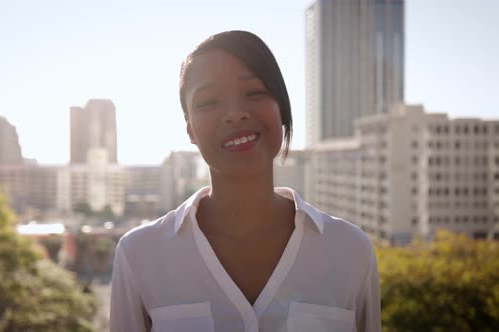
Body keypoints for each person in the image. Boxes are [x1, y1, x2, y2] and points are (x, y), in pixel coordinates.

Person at [110, 30, 381, 332]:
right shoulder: (139, 255)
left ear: (282, 108)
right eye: (208, 101)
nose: (235, 114)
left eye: (254, 93)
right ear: (189, 128)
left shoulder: (350, 251)